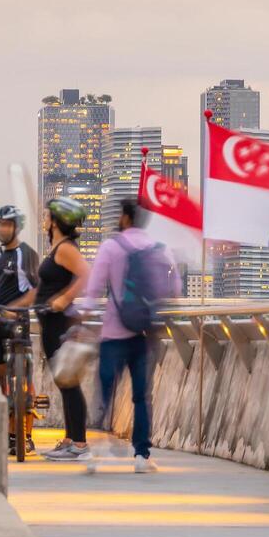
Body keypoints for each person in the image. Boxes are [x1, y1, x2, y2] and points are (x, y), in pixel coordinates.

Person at [86, 198, 178, 474]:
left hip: (114, 332)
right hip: (143, 332)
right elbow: (174, 287)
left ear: (125, 218)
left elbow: (93, 289)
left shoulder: (112, 247)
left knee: (104, 393)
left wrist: (81, 320)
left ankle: (96, 452)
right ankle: (141, 456)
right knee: (141, 396)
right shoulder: (158, 249)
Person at [36, 196, 91, 461]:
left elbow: (87, 274)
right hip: (50, 323)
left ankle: (79, 444)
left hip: (61, 323)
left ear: (57, 221)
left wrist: (64, 299)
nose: (44, 220)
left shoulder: (66, 249)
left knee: (69, 383)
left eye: (47, 216)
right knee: (63, 381)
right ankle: (70, 439)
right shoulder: (58, 247)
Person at [0, 204, 38, 455]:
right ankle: (10, 433)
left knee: (24, 382)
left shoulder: (25, 254)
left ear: (16, 227)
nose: (2, 228)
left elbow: (36, 290)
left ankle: (25, 435)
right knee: (3, 382)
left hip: (17, 324)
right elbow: (1, 289)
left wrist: (15, 308)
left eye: (7, 224)